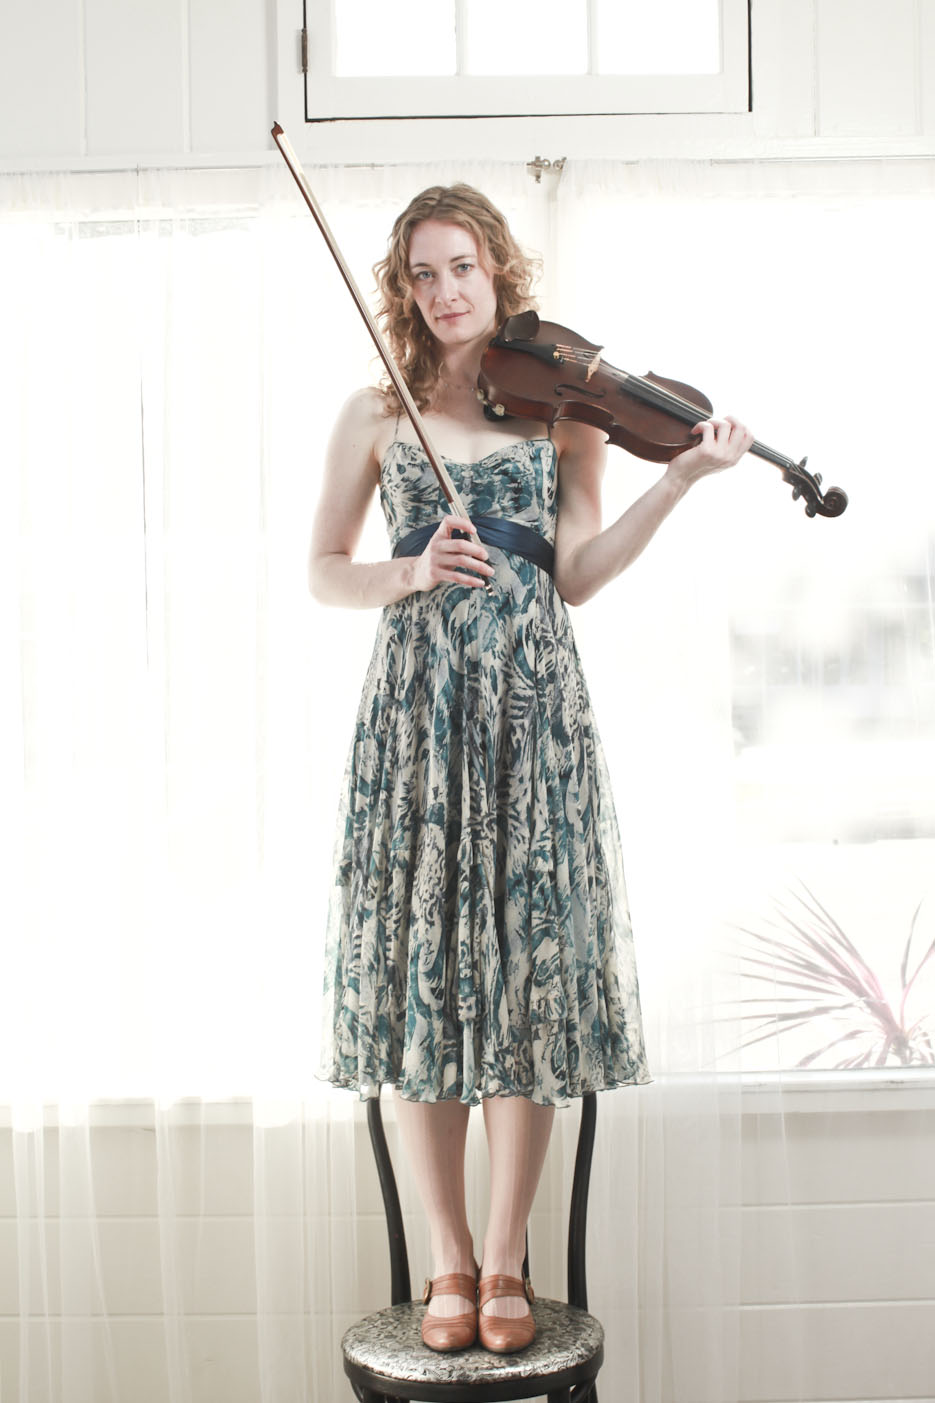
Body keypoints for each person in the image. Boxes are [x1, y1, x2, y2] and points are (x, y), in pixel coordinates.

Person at [310, 184, 753, 1355]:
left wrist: (676, 481)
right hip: (418, 716)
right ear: (403, 288)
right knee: (421, 979)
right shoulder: (375, 410)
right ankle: (444, 1260)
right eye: (422, 273)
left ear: (499, 271)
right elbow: (321, 569)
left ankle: (506, 1256)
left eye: (463, 266)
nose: (445, 290)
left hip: (530, 713)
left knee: (524, 978)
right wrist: (405, 574)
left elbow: (577, 572)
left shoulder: (562, 411)